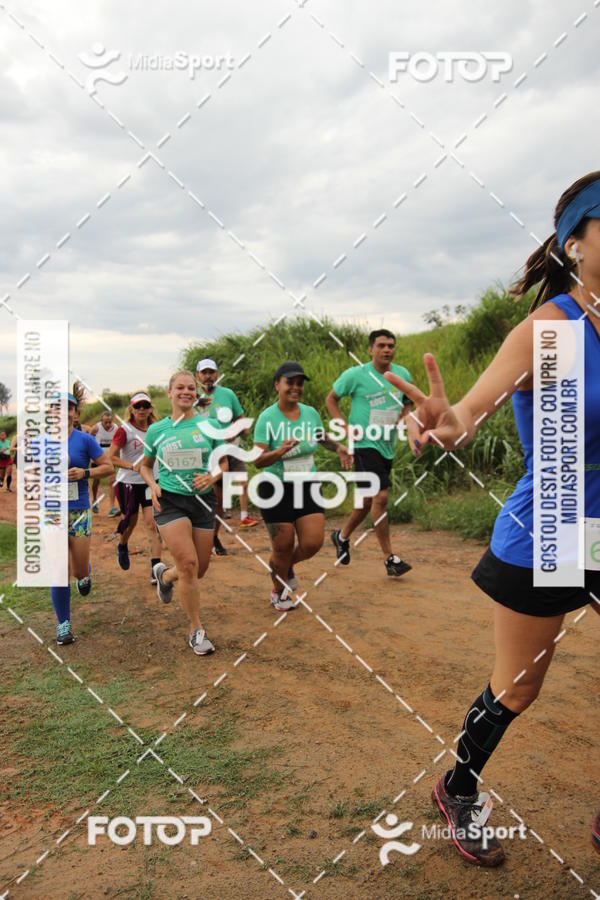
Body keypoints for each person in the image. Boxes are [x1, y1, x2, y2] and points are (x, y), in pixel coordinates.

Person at [384, 172, 600, 866]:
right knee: (519, 686)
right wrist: (440, 424)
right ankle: (458, 787)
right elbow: (465, 418)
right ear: (576, 244)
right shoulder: (552, 330)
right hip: (553, 525)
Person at [253, 361, 352, 611]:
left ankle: (284, 566)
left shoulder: (310, 413)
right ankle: (279, 591)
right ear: (277, 385)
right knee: (283, 545)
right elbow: (257, 460)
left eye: (299, 383)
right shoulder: (267, 418)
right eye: (290, 382)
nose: (296, 387)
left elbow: (320, 437)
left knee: (312, 543)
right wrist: (280, 450)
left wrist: (338, 447)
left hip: (307, 485)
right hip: (275, 489)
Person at [140, 370, 226, 656]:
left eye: (191, 388)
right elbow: (144, 465)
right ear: (170, 393)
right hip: (170, 501)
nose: (186, 392)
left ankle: (165, 577)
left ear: (196, 393)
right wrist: (152, 485)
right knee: (189, 564)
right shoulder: (157, 430)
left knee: (198, 569)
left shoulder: (210, 425)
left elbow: (223, 463)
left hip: (202, 502)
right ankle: (196, 630)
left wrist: (212, 478)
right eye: (180, 387)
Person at [326, 329, 413, 576]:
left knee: (366, 502)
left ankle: (341, 537)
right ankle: (389, 559)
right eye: (382, 345)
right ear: (370, 349)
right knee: (381, 497)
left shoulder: (402, 374)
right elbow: (331, 399)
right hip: (364, 444)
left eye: (391, 346)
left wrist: (405, 418)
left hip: (387, 444)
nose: (387, 349)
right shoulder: (356, 375)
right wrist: (344, 427)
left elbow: (408, 401)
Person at [51, 388, 114, 644]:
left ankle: (84, 571)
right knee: (57, 569)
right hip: (51, 511)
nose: (62, 412)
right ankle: (63, 624)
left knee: (76, 570)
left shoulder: (84, 440)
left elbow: (108, 466)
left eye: (67, 408)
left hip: (78, 510)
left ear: (75, 413)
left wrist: (85, 474)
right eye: (56, 407)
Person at [195, 358, 258, 557]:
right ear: (197, 376)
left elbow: (241, 420)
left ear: (216, 374)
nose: (207, 376)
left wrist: (237, 431)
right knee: (213, 502)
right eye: (203, 372)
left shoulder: (227, 394)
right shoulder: (194, 397)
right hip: (206, 455)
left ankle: (214, 536)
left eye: (211, 372)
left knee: (226, 499)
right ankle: (204, 538)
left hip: (230, 451)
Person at [109, 392, 162, 581]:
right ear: (131, 409)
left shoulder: (157, 428)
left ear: (150, 409)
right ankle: (122, 545)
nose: (141, 409)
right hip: (128, 483)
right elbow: (112, 457)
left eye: (145, 406)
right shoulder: (125, 430)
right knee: (130, 522)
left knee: (152, 524)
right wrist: (132, 466)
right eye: (137, 406)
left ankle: (156, 568)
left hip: (150, 482)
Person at [90, 410, 119, 515]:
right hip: (97, 458)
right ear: (101, 421)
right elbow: (89, 440)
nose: (108, 425)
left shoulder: (116, 428)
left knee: (112, 481)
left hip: (109, 459)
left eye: (109, 422)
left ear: (112, 421)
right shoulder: (96, 428)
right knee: (96, 481)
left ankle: (112, 507)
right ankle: (94, 501)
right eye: (105, 422)